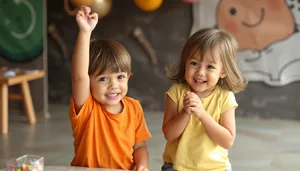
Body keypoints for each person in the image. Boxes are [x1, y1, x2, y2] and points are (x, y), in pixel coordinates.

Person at [69, 6, 151, 171]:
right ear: (89, 82)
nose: (114, 85)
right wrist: (85, 32)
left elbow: (139, 147)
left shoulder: (134, 108)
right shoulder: (87, 108)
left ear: (128, 77)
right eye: (103, 79)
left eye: (120, 77)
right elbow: (79, 76)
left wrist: (142, 164)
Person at [161, 28, 248, 171]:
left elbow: (227, 141)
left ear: (223, 71)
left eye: (210, 67)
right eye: (194, 63)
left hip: (216, 168)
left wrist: (202, 114)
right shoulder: (176, 93)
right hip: (176, 167)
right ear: (185, 63)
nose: (200, 72)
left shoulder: (225, 98)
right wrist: (185, 113)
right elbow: (169, 135)